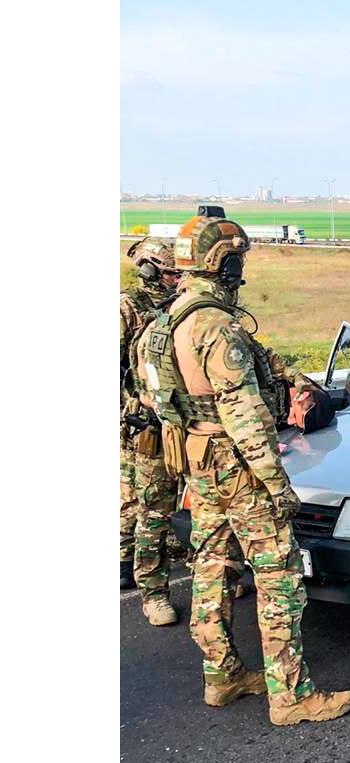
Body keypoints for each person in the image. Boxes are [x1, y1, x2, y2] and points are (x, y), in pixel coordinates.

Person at [135, 213, 350, 725]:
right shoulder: (215, 325)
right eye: (239, 261)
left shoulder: (164, 324)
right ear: (223, 261)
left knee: (209, 566)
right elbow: (245, 414)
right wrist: (276, 485)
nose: (241, 271)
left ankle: (222, 675)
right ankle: (291, 695)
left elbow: (158, 398)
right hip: (238, 467)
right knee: (277, 573)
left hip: (196, 460)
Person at [122, 237, 188, 622]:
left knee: (197, 503)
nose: (176, 278)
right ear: (149, 269)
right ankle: (153, 592)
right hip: (148, 425)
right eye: (169, 272)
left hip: (186, 423)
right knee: (155, 512)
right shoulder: (127, 308)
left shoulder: (182, 307)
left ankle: (212, 570)